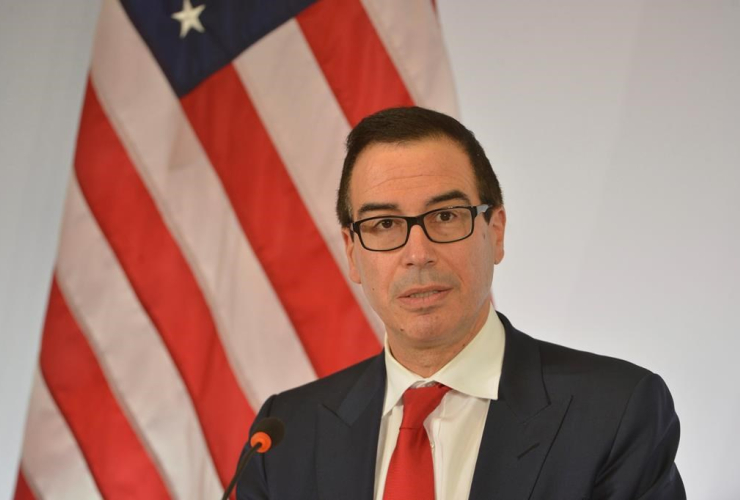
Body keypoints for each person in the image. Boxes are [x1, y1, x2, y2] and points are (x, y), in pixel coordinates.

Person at [237, 107, 685, 499]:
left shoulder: (615, 411)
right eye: (384, 224)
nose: (417, 253)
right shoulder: (284, 434)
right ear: (353, 254)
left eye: (445, 217)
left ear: (495, 232)